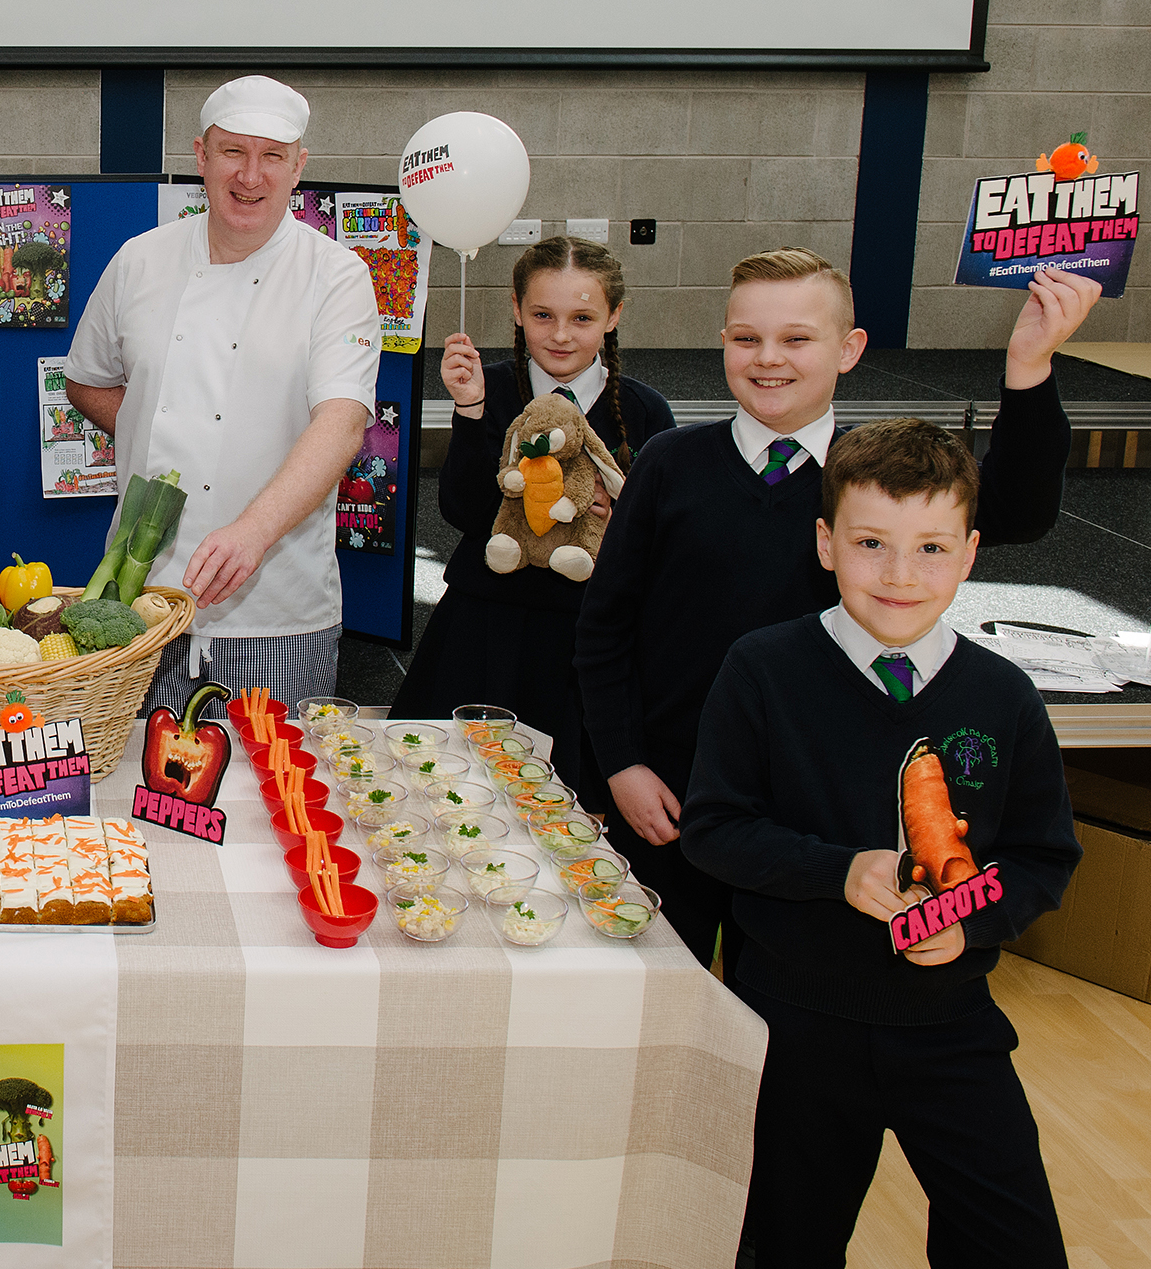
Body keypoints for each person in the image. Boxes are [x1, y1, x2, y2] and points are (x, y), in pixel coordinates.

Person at [576, 249, 1097, 972]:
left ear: (848, 348)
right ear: (722, 341)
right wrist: (623, 762)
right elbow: (604, 628)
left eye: (795, 338)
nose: (767, 359)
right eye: (745, 338)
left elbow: (1020, 507)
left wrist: (1030, 366)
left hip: (822, 818)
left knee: (796, 1009)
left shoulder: (875, 479)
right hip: (672, 797)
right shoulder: (669, 465)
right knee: (656, 994)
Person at [680, 419, 1079, 1267]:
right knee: (786, 1243)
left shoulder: (1004, 695)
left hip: (949, 1026)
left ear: (969, 553)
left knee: (1014, 1243)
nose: (900, 575)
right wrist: (839, 870)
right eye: (870, 543)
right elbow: (715, 829)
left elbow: (1044, 856)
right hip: (794, 1026)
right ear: (825, 543)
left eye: (930, 547)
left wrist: (971, 922)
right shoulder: (761, 668)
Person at [65, 75, 378, 714]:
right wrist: (150, 427)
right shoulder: (139, 260)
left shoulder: (336, 275)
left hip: (278, 604)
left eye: (272, 156)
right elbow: (87, 381)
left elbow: (343, 422)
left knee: (277, 787)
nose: (251, 176)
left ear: (299, 168)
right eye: (233, 152)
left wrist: (253, 531)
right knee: (133, 784)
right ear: (200, 157)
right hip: (141, 598)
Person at [387, 236, 672, 794]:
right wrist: (468, 412)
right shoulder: (486, 387)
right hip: (486, 625)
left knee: (572, 799)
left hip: (587, 633)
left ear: (613, 316)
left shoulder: (643, 410)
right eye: (543, 315)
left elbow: (662, 539)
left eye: (582, 317)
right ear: (516, 310)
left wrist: (619, 520)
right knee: (450, 788)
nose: (561, 334)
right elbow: (462, 511)